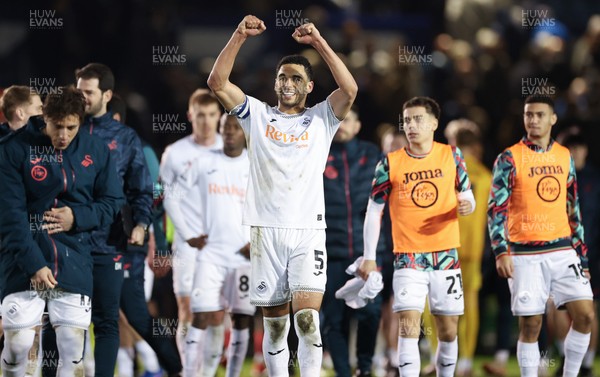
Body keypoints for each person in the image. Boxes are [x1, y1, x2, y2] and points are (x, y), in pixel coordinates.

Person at [207, 14, 357, 376]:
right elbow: (217, 82)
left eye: (296, 79)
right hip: (265, 230)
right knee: (275, 326)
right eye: (282, 77)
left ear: (308, 86)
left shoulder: (323, 118)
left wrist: (319, 42)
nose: (287, 83)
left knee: (307, 321)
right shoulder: (255, 115)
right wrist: (239, 35)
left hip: (308, 231)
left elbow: (350, 89)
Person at [0, 86, 125, 376]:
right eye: (57, 127)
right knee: (19, 344)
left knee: (72, 348)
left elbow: (113, 201)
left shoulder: (96, 151)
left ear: (81, 122)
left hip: (74, 257)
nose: (64, 135)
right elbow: (10, 216)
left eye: (71, 127)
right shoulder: (13, 149)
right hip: (22, 260)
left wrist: (77, 217)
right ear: (45, 117)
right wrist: (34, 265)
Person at [358, 96, 475, 377]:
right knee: (408, 325)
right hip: (408, 257)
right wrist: (370, 256)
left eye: (418, 119)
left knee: (448, 330)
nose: (411, 125)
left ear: (434, 123)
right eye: (407, 120)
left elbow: (468, 195)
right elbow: (374, 211)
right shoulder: (389, 163)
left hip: (445, 255)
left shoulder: (452, 156)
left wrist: (466, 204)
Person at [487, 96, 595, 377]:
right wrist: (500, 251)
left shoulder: (564, 156)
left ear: (553, 119)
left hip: (563, 250)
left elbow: (573, 209)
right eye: (528, 115)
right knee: (532, 325)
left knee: (585, 315)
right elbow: (495, 209)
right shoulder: (509, 158)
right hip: (524, 253)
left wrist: (582, 258)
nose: (533, 120)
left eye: (539, 115)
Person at [166, 114, 254, 377]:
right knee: (200, 316)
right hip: (210, 256)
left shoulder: (255, 164)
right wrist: (188, 234)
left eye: (234, 128)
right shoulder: (204, 162)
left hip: (244, 258)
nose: (228, 132)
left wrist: (257, 240)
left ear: (244, 132)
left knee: (242, 320)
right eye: (224, 127)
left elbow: (274, 204)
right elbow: (170, 195)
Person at [160, 89, 223, 364]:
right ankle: (189, 369)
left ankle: (209, 368)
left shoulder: (231, 150)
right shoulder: (174, 153)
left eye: (211, 115)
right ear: (190, 116)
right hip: (187, 246)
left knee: (217, 312)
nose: (206, 121)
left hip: (223, 246)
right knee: (186, 308)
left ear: (219, 116)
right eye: (201, 115)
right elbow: (162, 198)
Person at [322, 107, 385, 377]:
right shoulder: (318, 153)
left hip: (366, 253)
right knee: (333, 321)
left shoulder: (373, 155)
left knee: (370, 314)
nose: (343, 125)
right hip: (329, 251)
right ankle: (343, 372)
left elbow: (386, 202)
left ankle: (366, 365)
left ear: (358, 126)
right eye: (339, 119)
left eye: (349, 120)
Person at [0, 85, 44, 376]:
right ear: (20, 112)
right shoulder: (7, 150)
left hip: (25, 248)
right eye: (38, 108)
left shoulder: (40, 149)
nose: (43, 115)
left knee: (29, 332)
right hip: (7, 249)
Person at [549, 130, 600, 377]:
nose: (575, 153)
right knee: (556, 307)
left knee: (588, 311)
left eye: (579, 147)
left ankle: (587, 363)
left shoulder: (595, 180)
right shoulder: (552, 177)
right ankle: (565, 358)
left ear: (586, 150)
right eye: (570, 148)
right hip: (558, 252)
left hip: (591, 255)